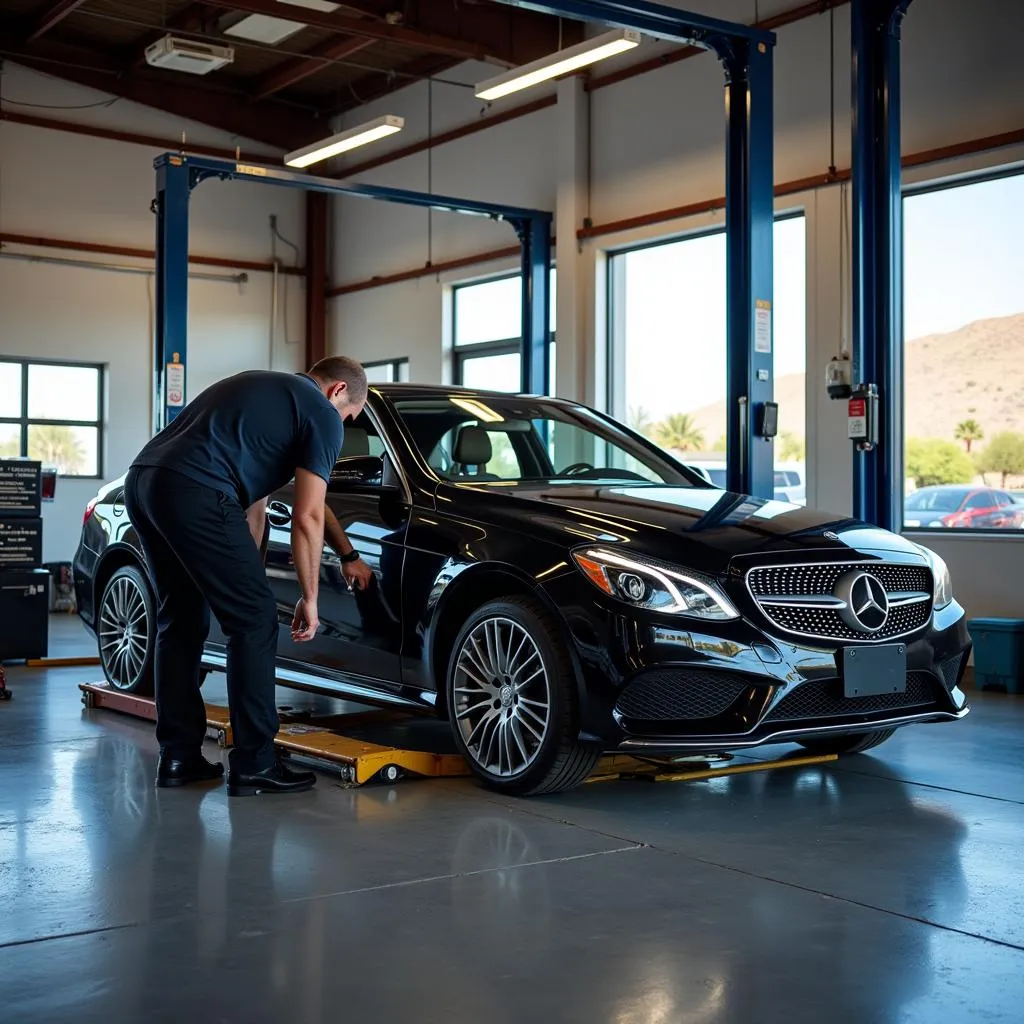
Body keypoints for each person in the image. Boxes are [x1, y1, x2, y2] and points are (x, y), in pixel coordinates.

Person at [123, 356, 368, 797]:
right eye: (350, 416)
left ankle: (178, 757)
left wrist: (244, 576)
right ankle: (255, 763)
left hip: (144, 481)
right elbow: (308, 514)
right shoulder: (320, 414)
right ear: (337, 392)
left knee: (179, 621)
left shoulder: (263, 391)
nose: (344, 427)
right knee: (254, 621)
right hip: (195, 488)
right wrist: (309, 597)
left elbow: (253, 507)